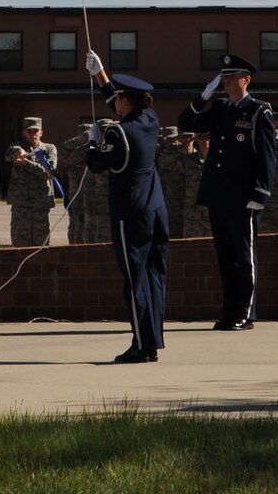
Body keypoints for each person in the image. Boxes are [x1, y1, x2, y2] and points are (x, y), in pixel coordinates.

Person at [177, 50, 277, 329]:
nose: (225, 81)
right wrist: (204, 96)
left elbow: (267, 155)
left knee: (245, 256)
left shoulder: (258, 110)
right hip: (218, 192)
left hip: (244, 196)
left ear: (246, 80)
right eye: (223, 77)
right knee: (225, 255)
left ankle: (246, 313)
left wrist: (261, 193)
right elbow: (185, 123)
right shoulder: (220, 108)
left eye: (231, 77)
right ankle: (230, 310)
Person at [83, 52, 169, 364]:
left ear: (125, 101)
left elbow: (95, 164)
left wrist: (93, 141)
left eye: (117, 98)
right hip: (155, 208)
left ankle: (142, 345)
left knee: (134, 279)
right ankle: (152, 339)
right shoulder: (150, 119)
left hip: (130, 212)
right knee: (154, 275)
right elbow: (119, 106)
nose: (114, 102)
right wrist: (101, 75)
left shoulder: (119, 133)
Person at [5, 141, 54, 246]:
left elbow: (48, 172)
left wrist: (25, 162)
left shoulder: (48, 149)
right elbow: (8, 156)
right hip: (21, 204)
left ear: (41, 132)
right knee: (19, 241)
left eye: (35, 131)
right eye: (29, 131)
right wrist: (18, 152)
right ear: (24, 133)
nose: (33, 134)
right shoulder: (18, 147)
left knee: (41, 242)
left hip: (40, 204)